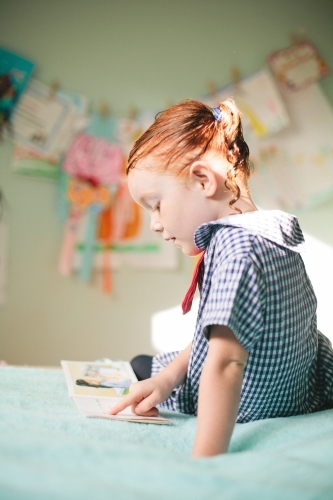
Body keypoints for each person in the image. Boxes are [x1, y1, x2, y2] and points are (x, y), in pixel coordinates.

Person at [109, 98, 333, 457]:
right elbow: (223, 335)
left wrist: (206, 459)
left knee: (138, 365)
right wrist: (167, 379)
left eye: (156, 205)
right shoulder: (273, 232)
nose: (154, 223)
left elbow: (226, 362)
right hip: (303, 386)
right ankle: (161, 372)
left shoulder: (235, 250)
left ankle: (157, 372)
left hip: (255, 400)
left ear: (202, 180)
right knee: (154, 371)